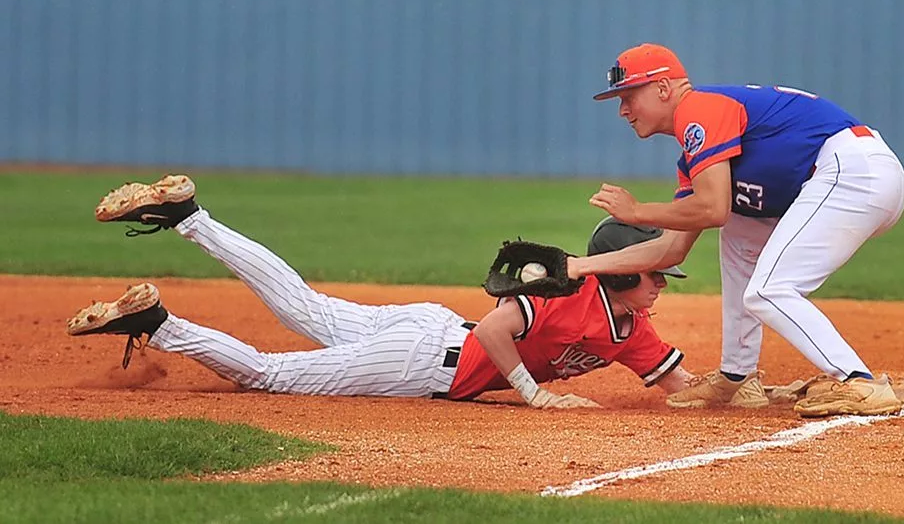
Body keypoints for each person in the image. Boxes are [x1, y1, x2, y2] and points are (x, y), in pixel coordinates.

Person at [67, 175, 695, 407]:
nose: (661, 285)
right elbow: (501, 328)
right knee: (267, 375)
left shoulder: (632, 330)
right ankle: (162, 322)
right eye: (654, 273)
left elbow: (681, 389)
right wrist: (533, 396)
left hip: (431, 329)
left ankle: (189, 218)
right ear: (618, 270)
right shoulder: (569, 294)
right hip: (428, 360)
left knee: (303, 306)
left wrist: (755, 387)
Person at [568, 43, 904, 417]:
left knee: (768, 290)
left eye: (629, 96)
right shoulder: (694, 153)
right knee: (740, 226)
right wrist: (580, 267)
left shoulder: (699, 108)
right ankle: (737, 377)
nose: (623, 110)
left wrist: (637, 212)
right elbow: (670, 250)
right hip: (851, 178)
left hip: (853, 171)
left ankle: (858, 381)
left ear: (663, 89)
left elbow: (711, 208)